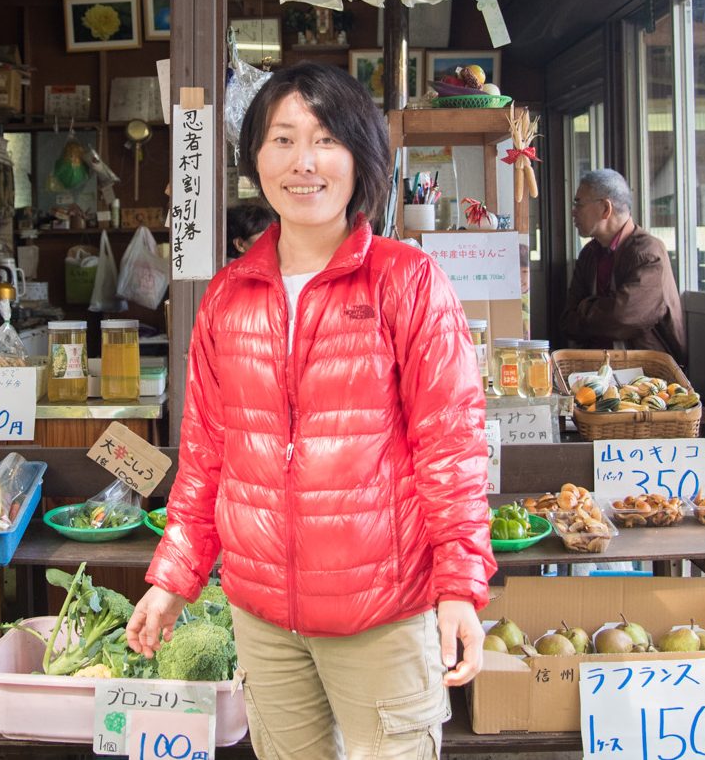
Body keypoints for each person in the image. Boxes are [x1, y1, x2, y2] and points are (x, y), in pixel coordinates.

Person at [127, 62, 494, 759]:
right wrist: (174, 576)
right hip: (264, 617)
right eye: (282, 139)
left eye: (325, 139)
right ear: (255, 160)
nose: (303, 162)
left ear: (359, 157)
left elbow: (451, 450)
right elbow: (206, 455)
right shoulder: (227, 296)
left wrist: (459, 586)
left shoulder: (407, 281)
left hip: (381, 612)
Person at [562, 168, 688, 367]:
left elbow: (623, 318)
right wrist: (605, 307)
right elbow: (568, 320)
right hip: (596, 371)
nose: (573, 212)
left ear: (605, 208)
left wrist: (586, 306)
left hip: (645, 375)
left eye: (578, 203)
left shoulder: (648, 252)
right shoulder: (589, 253)